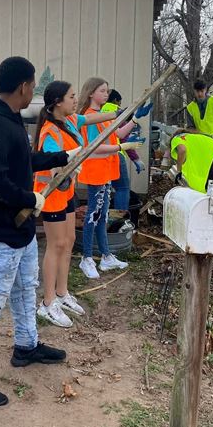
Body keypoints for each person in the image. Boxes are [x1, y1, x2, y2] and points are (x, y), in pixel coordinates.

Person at [0, 57, 79, 408]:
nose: (33, 92)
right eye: (32, 86)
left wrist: (62, 157)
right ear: (24, 86)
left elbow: (22, 160)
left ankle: (26, 346)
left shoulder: (10, 121)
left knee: (25, 289)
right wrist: (29, 197)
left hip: (17, 230)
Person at [33, 80, 119, 328]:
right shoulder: (50, 131)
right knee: (56, 244)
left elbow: (91, 120)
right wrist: (67, 165)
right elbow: (52, 161)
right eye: (71, 97)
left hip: (67, 192)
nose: (75, 101)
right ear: (57, 102)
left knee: (69, 240)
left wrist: (121, 114)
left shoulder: (70, 121)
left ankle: (62, 293)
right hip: (52, 195)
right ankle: (48, 303)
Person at [77, 78, 149, 279]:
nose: (106, 94)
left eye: (107, 91)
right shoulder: (90, 117)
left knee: (103, 214)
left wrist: (134, 120)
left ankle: (106, 255)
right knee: (94, 213)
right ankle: (87, 257)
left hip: (107, 171)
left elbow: (117, 133)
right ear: (91, 93)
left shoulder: (102, 116)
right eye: (102, 90)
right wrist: (121, 148)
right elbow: (94, 147)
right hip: (96, 171)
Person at [100, 89, 144, 211]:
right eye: (120, 102)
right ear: (115, 100)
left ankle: (104, 220)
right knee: (122, 188)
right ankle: (120, 220)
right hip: (115, 155)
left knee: (102, 189)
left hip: (98, 157)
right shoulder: (118, 113)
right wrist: (136, 159)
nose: (120, 105)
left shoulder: (99, 112)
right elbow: (124, 139)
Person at [168, 130, 213, 195]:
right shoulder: (194, 138)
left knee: (211, 192)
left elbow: (182, 150)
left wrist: (179, 170)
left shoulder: (177, 138)